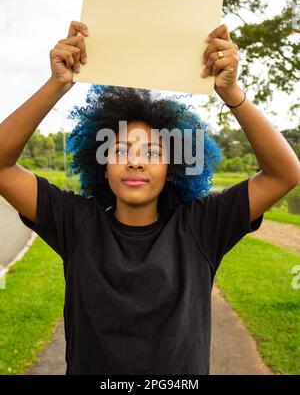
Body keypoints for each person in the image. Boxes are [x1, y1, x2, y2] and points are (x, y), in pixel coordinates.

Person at [0, 20, 299, 375]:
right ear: (102, 164)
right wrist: (57, 84)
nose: (136, 161)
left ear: (172, 168)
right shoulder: (77, 222)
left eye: (154, 153)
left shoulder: (200, 226)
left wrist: (232, 93)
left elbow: (285, 173)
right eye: (121, 149)